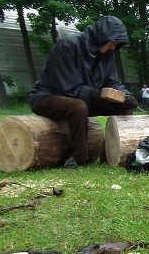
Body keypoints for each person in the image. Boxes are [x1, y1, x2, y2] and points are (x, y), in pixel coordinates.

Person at [29, 15, 138, 168]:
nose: (113, 47)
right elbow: (69, 88)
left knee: (125, 106)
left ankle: (109, 154)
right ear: (102, 37)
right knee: (77, 106)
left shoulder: (107, 54)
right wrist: (96, 95)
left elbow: (112, 82)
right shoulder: (68, 45)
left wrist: (126, 96)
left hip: (85, 97)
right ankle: (78, 158)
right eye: (112, 42)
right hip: (49, 96)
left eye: (116, 44)